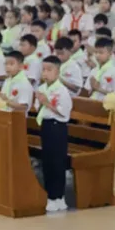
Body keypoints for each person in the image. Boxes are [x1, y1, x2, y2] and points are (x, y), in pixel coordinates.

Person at [34, 56, 73, 214]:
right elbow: (38, 108)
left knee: (58, 162)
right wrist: (41, 102)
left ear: (57, 72)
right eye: (43, 69)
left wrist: (46, 102)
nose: (45, 73)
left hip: (58, 127)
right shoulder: (42, 88)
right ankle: (50, 195)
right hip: (46, 126)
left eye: (49, 70)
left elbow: (64, 112)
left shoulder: (62, 90)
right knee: (47, 161)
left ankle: (59, 196)